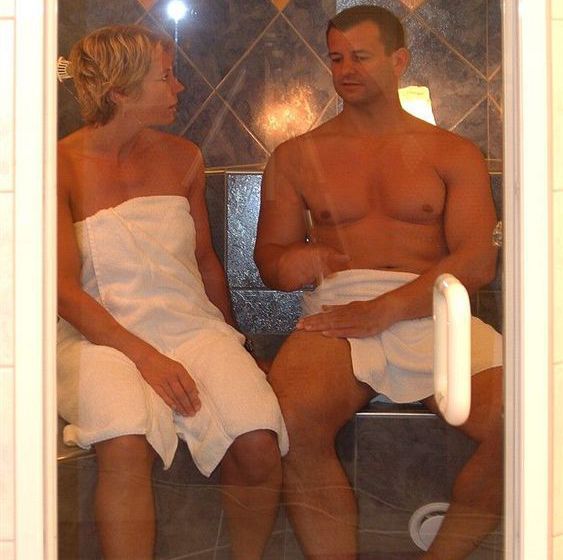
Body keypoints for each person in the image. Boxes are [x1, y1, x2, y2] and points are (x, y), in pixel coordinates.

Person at [255, 5, 503, 560]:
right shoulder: (296, 157)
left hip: (433, 307)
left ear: (399, 60)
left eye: (361, 57)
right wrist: (294, 263)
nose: (346, 69)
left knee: (525, 421)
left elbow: (476, 262)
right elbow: (269, 259)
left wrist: (386, 309)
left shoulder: (452, 153)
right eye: (337, 58)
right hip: (339, 312)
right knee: (290, 422)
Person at [56, 24, 288, 560]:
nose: (179, 86)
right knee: (125, 442)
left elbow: (205, 261)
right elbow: (64, 291)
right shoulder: (59, 166)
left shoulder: (184, 157)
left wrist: (233, 340)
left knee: (258, 440)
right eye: (165, 77)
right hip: (96, 336)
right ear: (120, 90)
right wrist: (147, 359)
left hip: (191, 327)